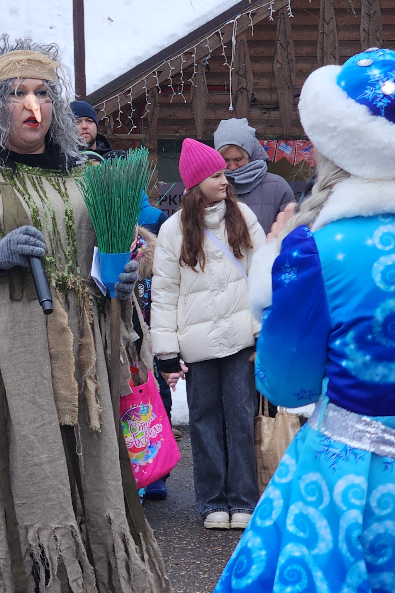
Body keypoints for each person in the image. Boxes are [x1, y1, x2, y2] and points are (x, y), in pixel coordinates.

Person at [0, 36, 170, 593]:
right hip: (0, 359)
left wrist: (119, 280)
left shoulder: (83, 178)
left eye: (43, 93)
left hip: (78, 355)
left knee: (84, 473)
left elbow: (108, 257)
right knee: (8, 470)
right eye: (16, 93)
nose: (33, 107)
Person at [215, 49, 395, 592]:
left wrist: (272, 278)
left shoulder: (315, 251)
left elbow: (283, 383)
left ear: (340, 145)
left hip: (348, 489)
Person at [150, 138, 266, 531]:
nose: (224, 179)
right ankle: (212, 500)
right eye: (216, 174)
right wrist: (165, 349)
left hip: (240, 337)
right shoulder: (172, 231)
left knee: (239, 415)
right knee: (203, 420)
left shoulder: (243, 216)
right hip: (197, 344)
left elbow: (263, 276)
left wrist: (266, 329)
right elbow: (164, 293)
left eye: (223, 172)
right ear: (196, 181)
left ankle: (244, 499)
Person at [213, 118, 294, 234]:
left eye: (238, 159)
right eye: (225, 160)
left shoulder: (277, 187)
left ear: (249, 154)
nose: (232, 167)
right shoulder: (210, 187)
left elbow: (292, 234)